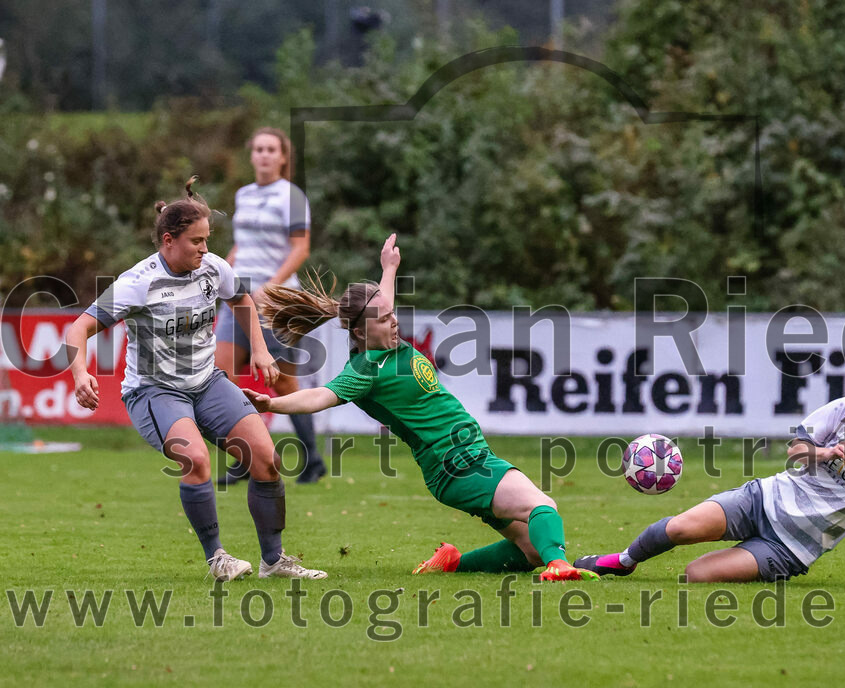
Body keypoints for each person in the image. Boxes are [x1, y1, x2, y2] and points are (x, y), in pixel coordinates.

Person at [243, 234, 599, 582]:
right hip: (456, 464)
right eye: (384, 319)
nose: (394, 320)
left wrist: (389, 268)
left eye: (391, 313)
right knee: (543, 507)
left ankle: (452, 564)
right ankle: (560, 568)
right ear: (363, 333)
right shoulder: (365, 370)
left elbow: (383, 302)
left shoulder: (386, 338)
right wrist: (272, 402)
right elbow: (318, 396)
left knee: (531, 550)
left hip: (470, 457)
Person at [65, 177, 326, 581]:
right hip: (155, 390)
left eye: (208, 240)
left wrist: (259, 349)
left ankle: (273, 562)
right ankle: (217, 558)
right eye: (197, 242)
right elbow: (77, 329)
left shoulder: (214, 268)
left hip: (206, 383)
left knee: (267, 459)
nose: (205, 250)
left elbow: (241, 299)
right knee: (196, 459)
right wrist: (80, 373)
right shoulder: (139, 282)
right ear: (168, 240)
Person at [574, 358, 845, 588]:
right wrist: (827, 452)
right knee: (680, 528)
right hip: (762, 499)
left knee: (694, 575)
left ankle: (754, 559)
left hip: (789, 548)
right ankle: (624, 561)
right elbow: (795, 452)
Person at [215, 127, 326, 485]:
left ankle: (312, 458)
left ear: (282, 157)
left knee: (282, 383)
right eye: (258, 149)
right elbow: (239, 247)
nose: (263, 155)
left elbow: (301, 249)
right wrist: (218, 274)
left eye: (270, 149)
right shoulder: (243, 194)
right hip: (238, 297)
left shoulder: (291, 196)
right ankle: (248, 455)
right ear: (251, 155)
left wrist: (272, 286)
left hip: (273, 301)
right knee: (222, 375)